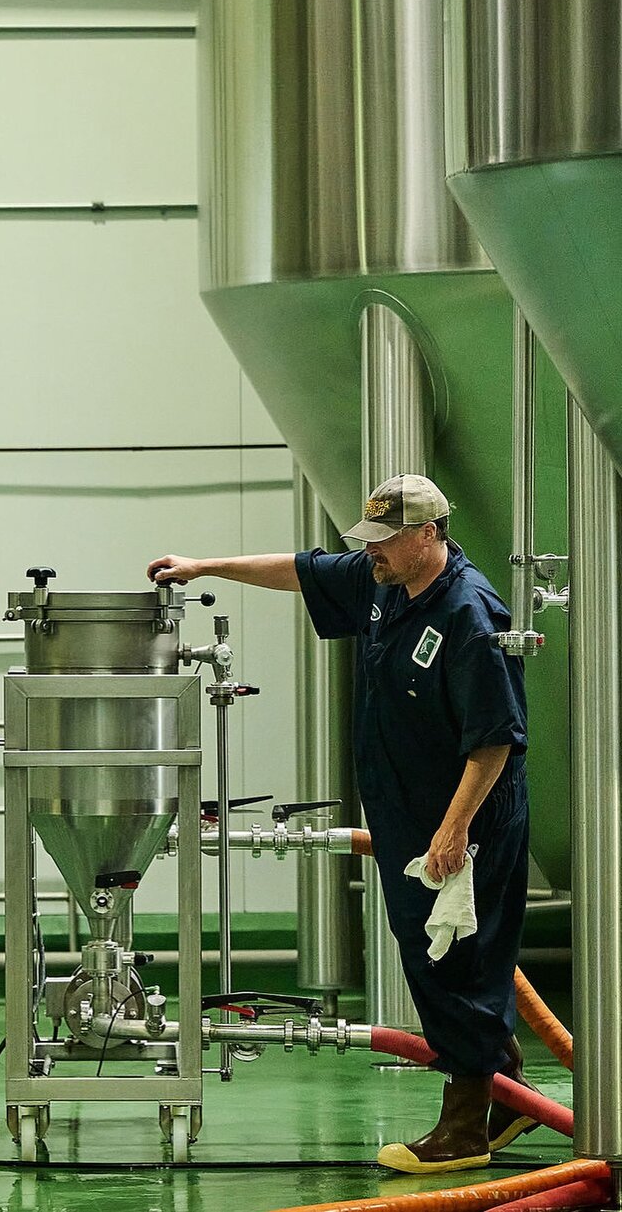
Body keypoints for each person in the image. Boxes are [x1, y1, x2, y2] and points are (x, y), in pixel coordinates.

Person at [148, 473, 537, 1174]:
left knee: (461, 965)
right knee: (432, 956)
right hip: (408, 815)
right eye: (370, 542)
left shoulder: (471, 616)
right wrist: (206, 566)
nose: (373, 554)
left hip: (466, 822)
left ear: (429, 534)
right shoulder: (388, 582)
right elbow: (301, 570)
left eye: (386, 541)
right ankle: (506, 1091)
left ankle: (465, 1126)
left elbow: (494, 741)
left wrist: (453, 832)